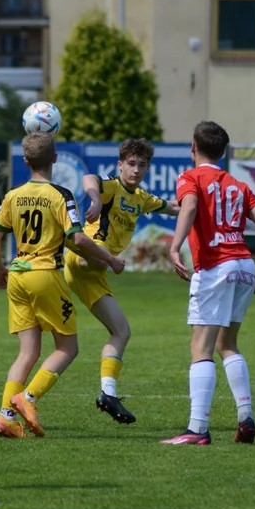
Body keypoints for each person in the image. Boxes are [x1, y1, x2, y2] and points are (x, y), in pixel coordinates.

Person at [0, 132, 126, 438]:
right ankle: (27, 398)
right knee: (68, 347)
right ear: (55, 159)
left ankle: (5, 417)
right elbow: (76, 239)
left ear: (25, 161)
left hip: (17, 275)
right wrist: (111, 260)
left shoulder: (13, 195)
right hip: (45, 274)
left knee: (27, 352)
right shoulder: (60, 195)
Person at [163, 121, 255, 445]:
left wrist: (174, 246)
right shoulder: (238, 184)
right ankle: (246, 418)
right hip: (243, 266)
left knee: (200, 347)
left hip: (216, 266)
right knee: (228, 344)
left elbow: (191, 206)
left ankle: (197, 429)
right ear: (224, 152)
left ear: (192, 148)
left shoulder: (190, 178)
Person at [67, 139, 179, 425]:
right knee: (91, 256)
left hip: (95, 274)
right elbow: (89, 178)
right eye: (131, 164)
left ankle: (108, 393)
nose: (136, 169)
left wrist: (199, 203)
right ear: (120, 165)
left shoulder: (142, 198)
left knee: (122, 331)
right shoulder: (111, 186)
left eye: (142, 165)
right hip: (88, 256)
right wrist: (94, 199)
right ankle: (82, 251)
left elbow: (174, 208)